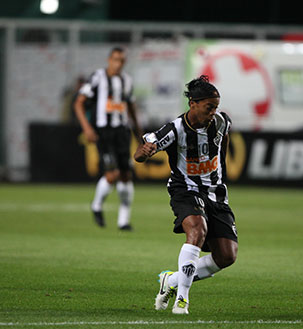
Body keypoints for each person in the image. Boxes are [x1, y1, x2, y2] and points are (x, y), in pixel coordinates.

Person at [134, 75, 238, 314]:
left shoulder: (221, 122)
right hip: (186, 189)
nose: (213, 112)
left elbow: (224, 141)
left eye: (216, 107)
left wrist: (220, 171)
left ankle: (170, 281)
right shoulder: (175, 129)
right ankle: (182, 300)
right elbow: (139, 155)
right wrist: (146, 151)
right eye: (209, 107)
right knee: (197, 230)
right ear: (193, 104)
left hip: (215, 193)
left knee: (226, 256)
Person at [74, 47, 142, 231]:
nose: (118, 64)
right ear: (109, 60)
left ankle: (124, 221)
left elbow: (131, 108)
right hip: (104, 132)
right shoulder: (97, 77)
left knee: (126, 175)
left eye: (121, 60)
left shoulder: (127, 80)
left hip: (122, 132)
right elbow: (78, 103)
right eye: (115, 59)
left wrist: (138, 133)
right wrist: (87, 128)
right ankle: (96, 205)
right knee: (112, 175)